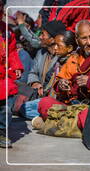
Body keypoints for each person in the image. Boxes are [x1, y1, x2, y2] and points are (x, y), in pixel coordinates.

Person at [36, 20, 90, 130]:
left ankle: (60, 124)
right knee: (44, 103)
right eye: (84, 38)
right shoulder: (74, 58)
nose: (89, 42)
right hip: (73, 106)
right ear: (77, 40)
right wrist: (61, 84)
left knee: (86, 116)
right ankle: (72, 126)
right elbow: (58, 82)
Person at [0, 0, 23, 148]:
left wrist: (16, 66)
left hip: (3, 78)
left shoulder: (7, 31)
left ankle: (2, 132)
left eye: (1, 4)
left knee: (5, 107)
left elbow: (12, 51)